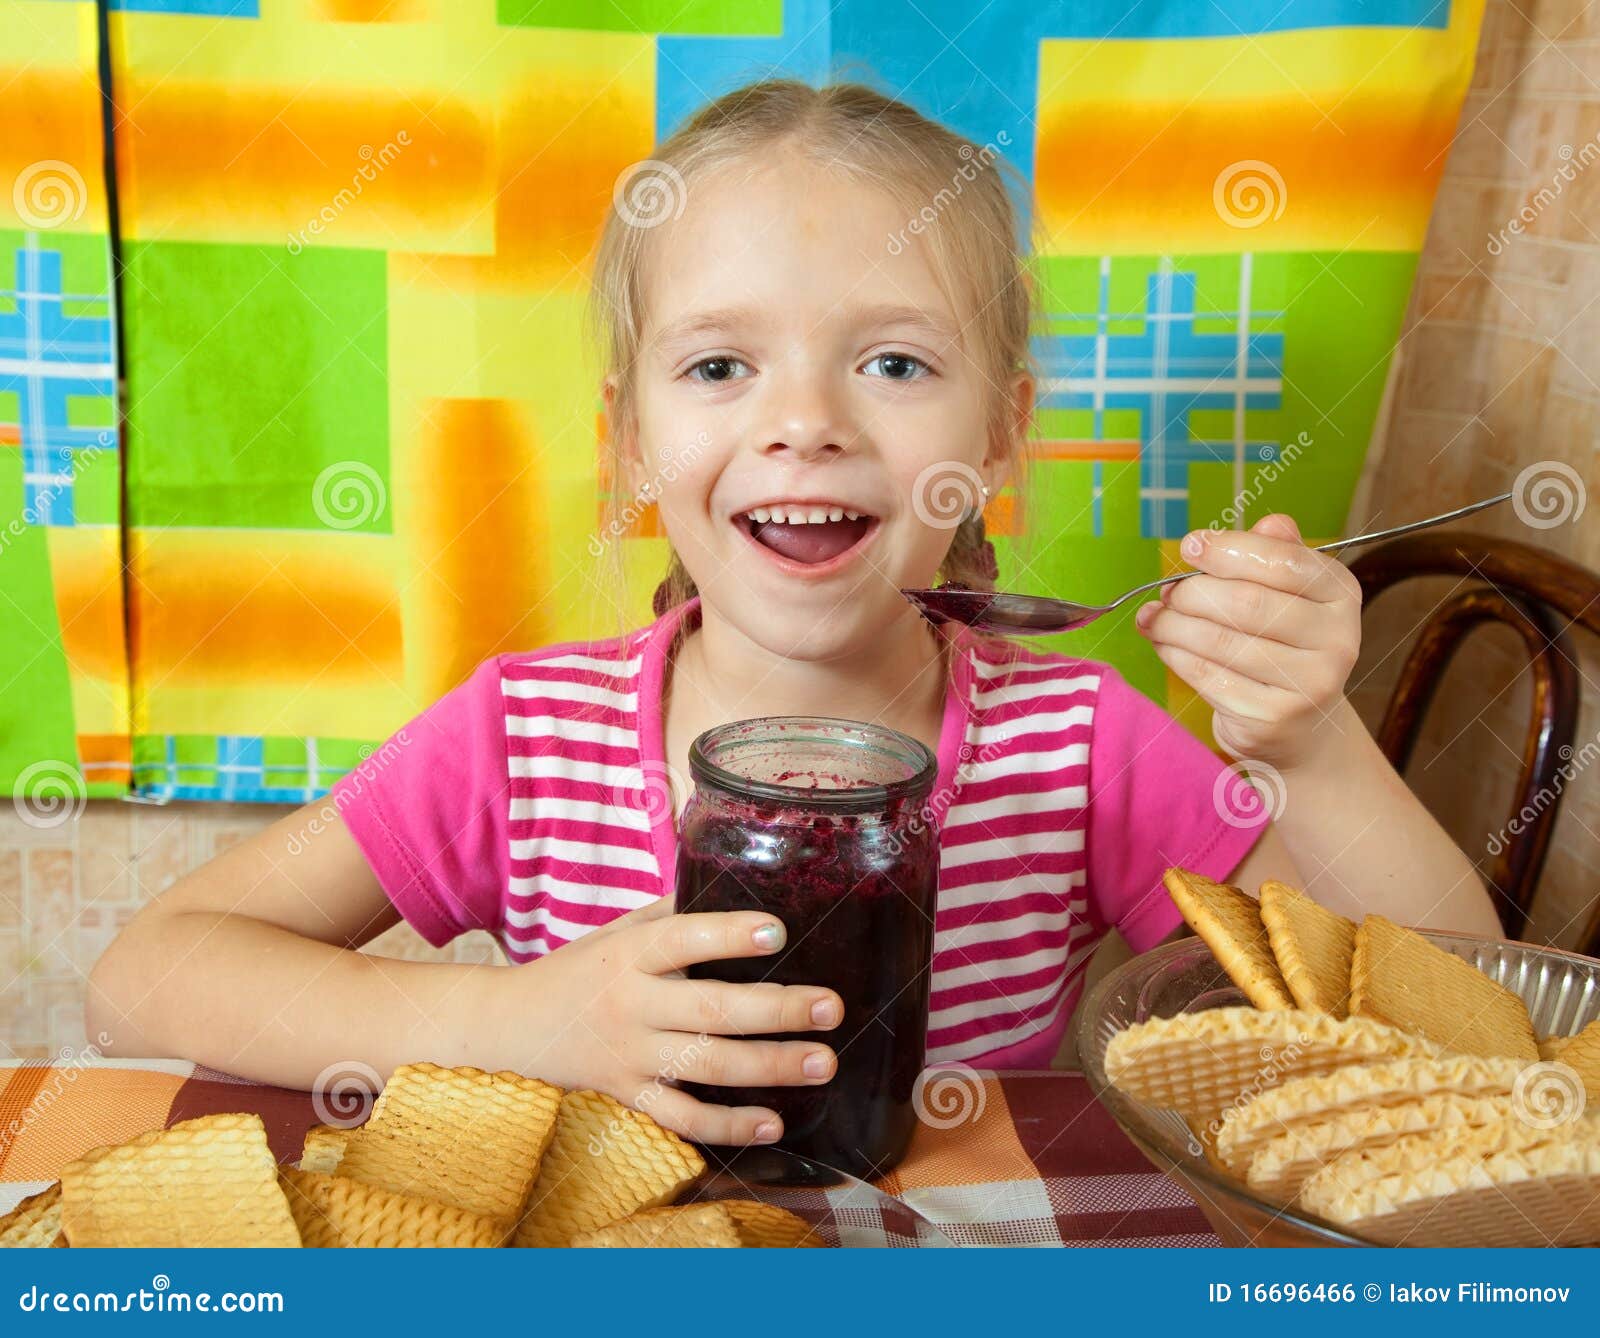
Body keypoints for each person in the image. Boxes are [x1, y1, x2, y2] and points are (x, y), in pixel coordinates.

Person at [89, 80, 1499, 1147]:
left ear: (1002, 435)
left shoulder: (1080, 743)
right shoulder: (521, 741)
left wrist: (1312, 747)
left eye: (891, 360)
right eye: (717, 366)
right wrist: (512, 1022)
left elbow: (1454, 1021)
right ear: (631, 445)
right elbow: (148, 975)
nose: (805, 424)